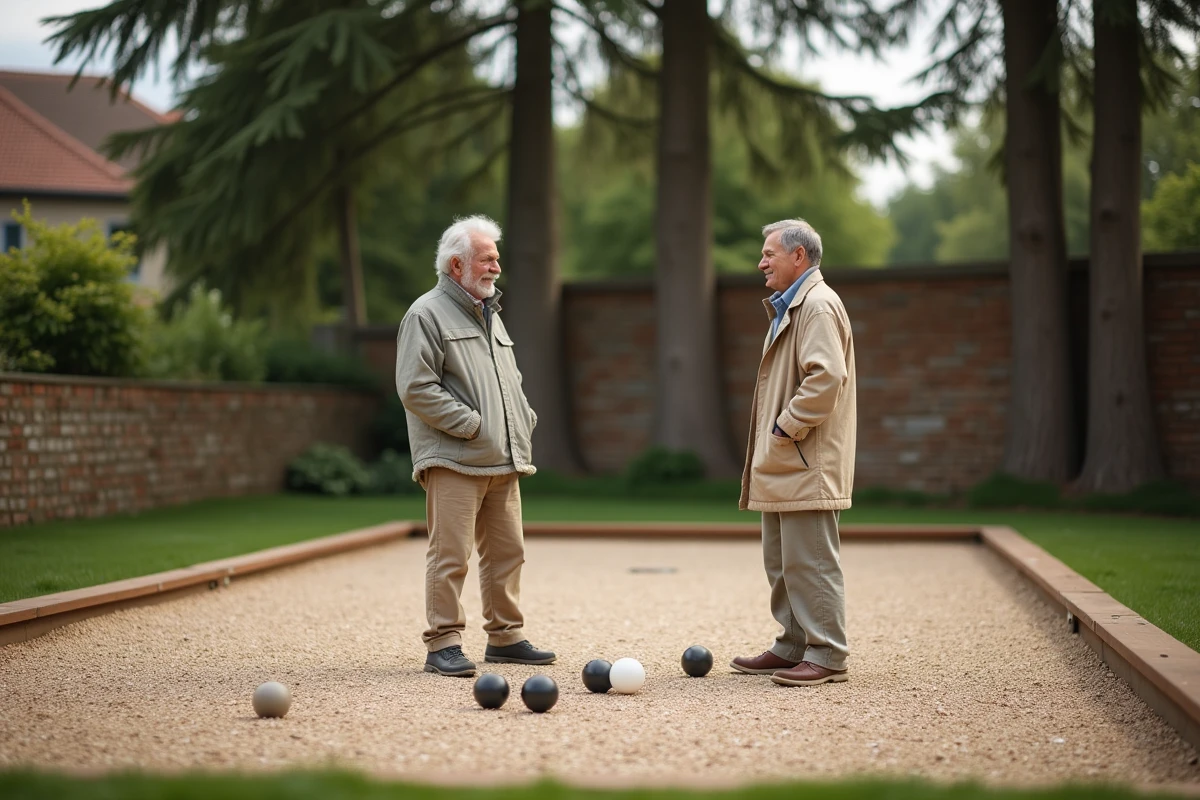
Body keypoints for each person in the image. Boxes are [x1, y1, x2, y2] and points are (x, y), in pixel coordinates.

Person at [395, 215, 555, 677]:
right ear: (456, 264)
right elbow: (415, 387)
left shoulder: (492, 313)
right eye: (487, 259)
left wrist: (522, 421)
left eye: (497, 258)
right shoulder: (425, 313)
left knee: (508, 553)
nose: (496, 267)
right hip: (454, 458)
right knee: (450, 554)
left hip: (503, 458)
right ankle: (442, 642)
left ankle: (506, 637)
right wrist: (471, 425)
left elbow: (510, 381)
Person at [731, 218, 857, 687]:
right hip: (789, 460)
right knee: (782, 560)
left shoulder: (817, 305)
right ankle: (793, 645)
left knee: (811, 561)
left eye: (770, 254)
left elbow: (826, 378)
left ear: (798, 257)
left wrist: (786, 426)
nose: (761, 262)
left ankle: (827, 656)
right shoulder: (794, 305)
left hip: (807, 459)